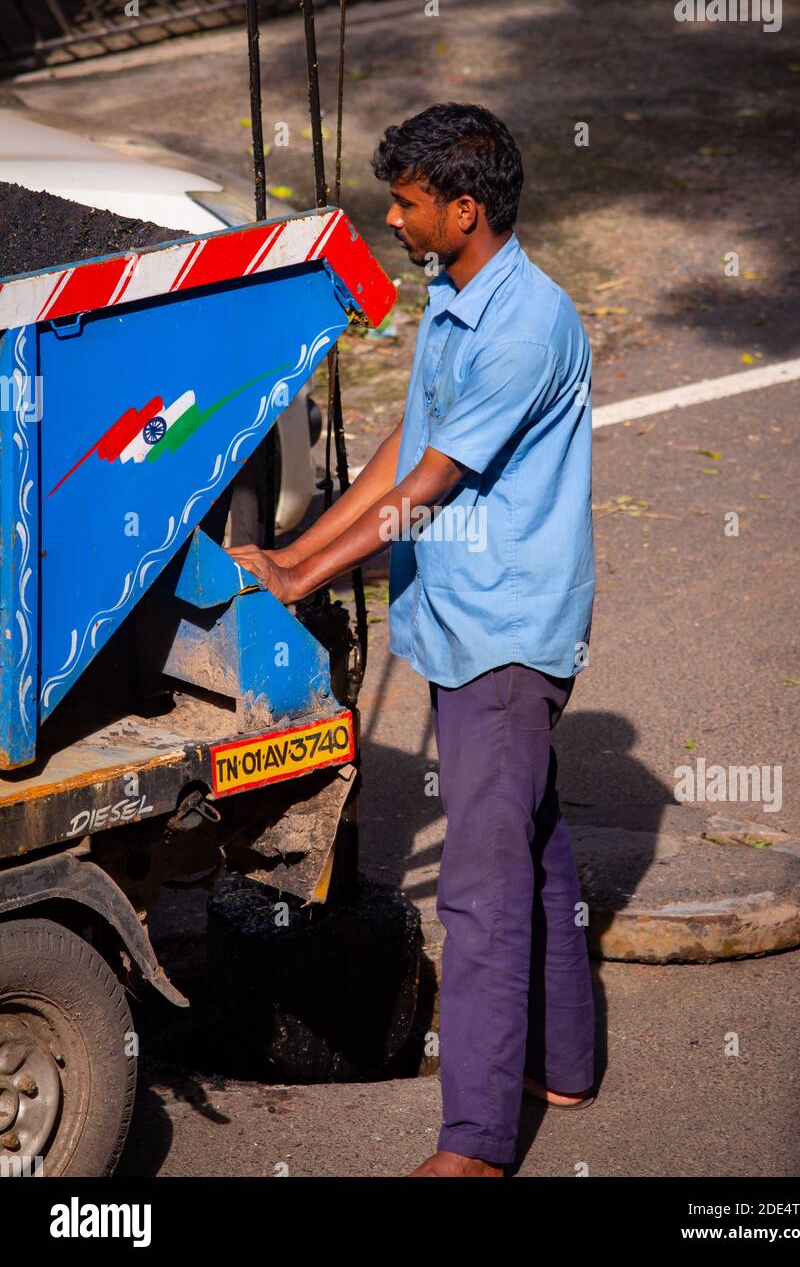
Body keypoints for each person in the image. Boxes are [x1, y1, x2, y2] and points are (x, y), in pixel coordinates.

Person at [227, 102, 596, 1178]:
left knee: (480, 894)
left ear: (464, 209)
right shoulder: (457, 293)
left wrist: (304, 572)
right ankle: (563, 1060)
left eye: (406, 201)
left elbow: (428, 488)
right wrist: (295, 553)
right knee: (530, 840)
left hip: (506, 639)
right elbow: (405, 445)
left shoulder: (525, 325)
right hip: (463, 621)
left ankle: (474, 1144)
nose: (391, 217)